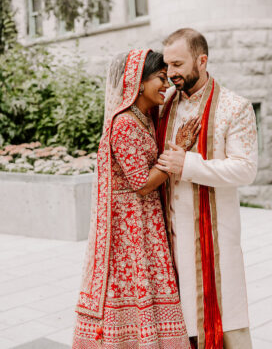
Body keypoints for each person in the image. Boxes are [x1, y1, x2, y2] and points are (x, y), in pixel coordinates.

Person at [72, 49, 200, 349]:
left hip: (144, 221)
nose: (166, 86)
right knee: (135, 287)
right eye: (160, 79)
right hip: (129, 228)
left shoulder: (143, 119)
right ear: (138, 83)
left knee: (149, 288)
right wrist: (177, 150)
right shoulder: (125, 124)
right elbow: (142, 184)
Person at [156, 29, 258, 349]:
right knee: (181, 320)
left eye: (178, 64)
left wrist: (187, 165)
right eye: (167, 65)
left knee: (228, 321)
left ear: (202, 60)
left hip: (216, 236)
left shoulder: (234, 107)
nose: (171, 72)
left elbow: (245, 169)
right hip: (171, 236)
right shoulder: (164, 107)